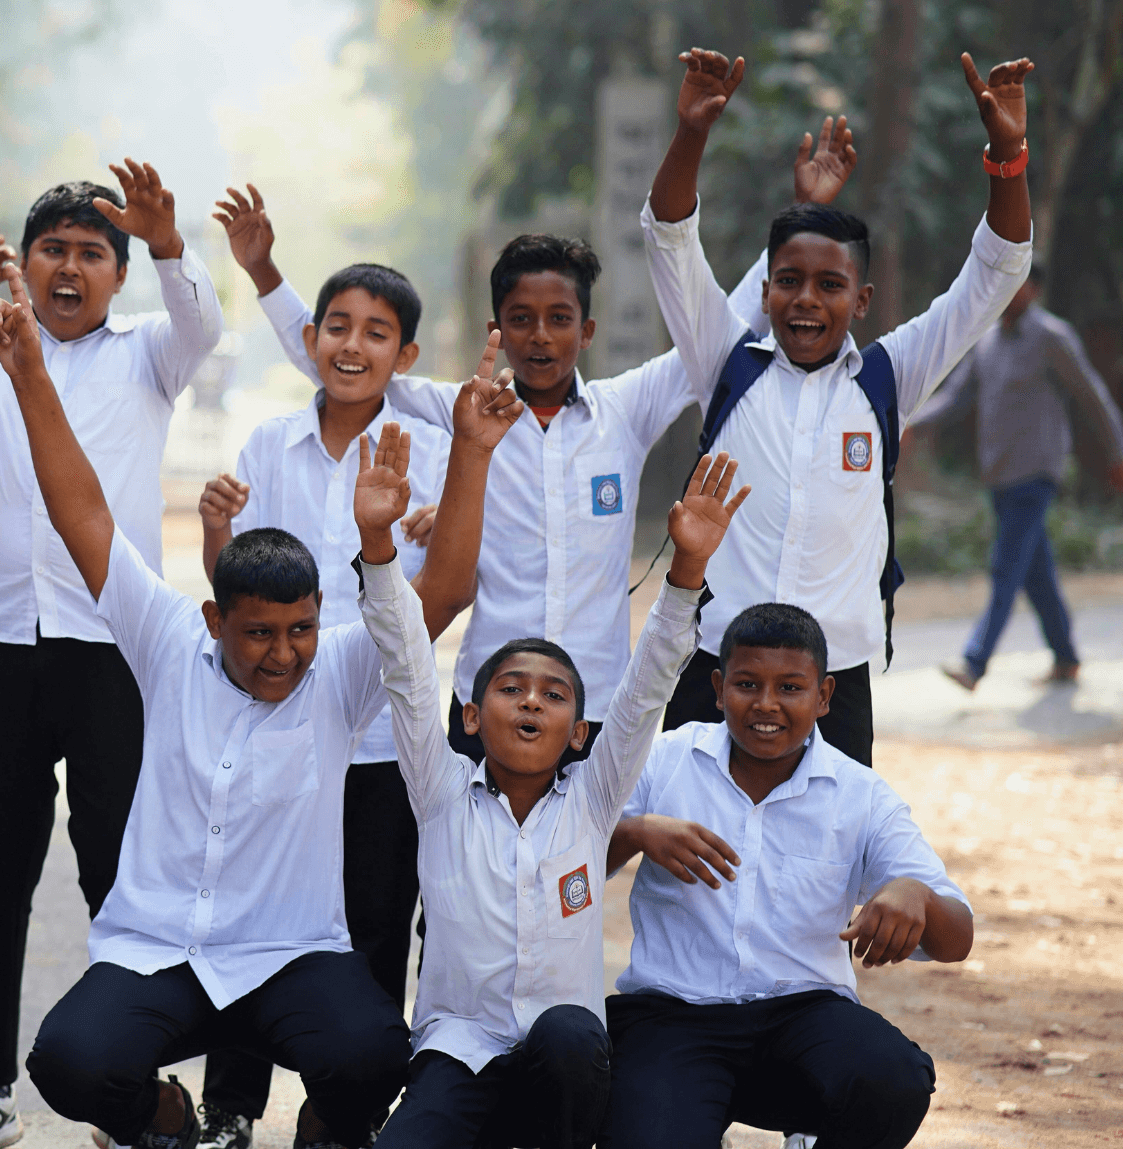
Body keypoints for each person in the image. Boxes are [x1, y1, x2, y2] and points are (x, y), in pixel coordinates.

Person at [0, 272, 455, 1149]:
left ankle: (326, 1121)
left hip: (288, 959)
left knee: (375, 1051)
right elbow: (79, 508)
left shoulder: (342, 672)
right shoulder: (166, 642)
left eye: (302, 631)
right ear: (214, 619)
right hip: (160, 953)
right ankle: (160, 1115)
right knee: (67, 1062)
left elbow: (444, 590)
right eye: (260, 635)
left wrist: (402, 523)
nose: (284, 655)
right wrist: (31, 381)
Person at [221, 133, 854, 766]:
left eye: (559, 318)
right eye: (521, 318)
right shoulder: (467, 416)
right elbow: (349, 365)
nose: (540, 336)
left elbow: (717, 325)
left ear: (587, 330)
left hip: (595, 704)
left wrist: (798, 218)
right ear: (497, 327)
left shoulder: (626, 411)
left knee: (584, 863)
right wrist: (264, 274)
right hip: (485, 700)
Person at [0, 160, 223, 1149]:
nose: (70, 268)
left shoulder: (150, 357)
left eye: (90, 253)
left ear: (116, 276)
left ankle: (126, 1092)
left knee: (115, 876)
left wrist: (168, 241)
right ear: (25, 266)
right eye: (52, 250)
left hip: (111, 652)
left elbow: (202, 320)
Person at [361, 396, 746, 1149]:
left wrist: (688, 569)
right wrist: (377, 546)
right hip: (459, 1050)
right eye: (509, 689)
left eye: (553, 694)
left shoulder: (595, 797)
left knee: (572, 1033)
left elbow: (648, 685)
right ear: (471, 718)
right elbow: (408, 666)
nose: (530, 701)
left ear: (579, 730)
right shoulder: (440, 792)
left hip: (561, 1070)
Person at [642, 48, 1037, 767]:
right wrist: (692, 133)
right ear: (764, 292)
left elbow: (997, 270)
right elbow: (670, 241)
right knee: (692, 858)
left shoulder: (887, 379)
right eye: (788, 280)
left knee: (826, 869)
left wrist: (1007, 153)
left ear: (861, 301)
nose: (805, 299)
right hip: (714, 666)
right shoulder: (725, 362)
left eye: (830, 285)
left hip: (836, 678)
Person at [190, 259, 447, 1148]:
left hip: (378, 731)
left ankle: (347, 1110)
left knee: (374, 915)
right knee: (254, 911)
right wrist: (218, 530)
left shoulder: (430, 452)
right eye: (338, 325)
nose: (352, 344)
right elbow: (238, 589)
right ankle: (230, 1104)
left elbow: (448, 578)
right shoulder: (268, 445)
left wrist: (426, 524)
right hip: (281, 729)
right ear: (311, 339)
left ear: (403, 353)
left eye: (377, 332)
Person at [601, 602, 973, 1149]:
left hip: (804, 1020)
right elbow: (567, 865)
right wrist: (633, 833)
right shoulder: (664, 761)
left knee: (893, 1076)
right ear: (718, 685)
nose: (767, 704)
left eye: (791, 688)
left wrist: (914, 893)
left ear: (824, 696)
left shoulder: (860, 794)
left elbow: (957, 938)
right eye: (747, 684)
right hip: (671, 1021)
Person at [908, 263, 1123, 690]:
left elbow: (1091, 393)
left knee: (1005, 568)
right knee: (1035, 571)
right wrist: (912, 421)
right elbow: (955, 396)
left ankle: (974, 662)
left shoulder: (1052, 337)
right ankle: (1066, 657)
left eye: (1017, 283)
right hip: (1000, 476)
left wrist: (1118, 451)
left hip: (1037, 472)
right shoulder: (986, 341)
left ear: (1035, 289)